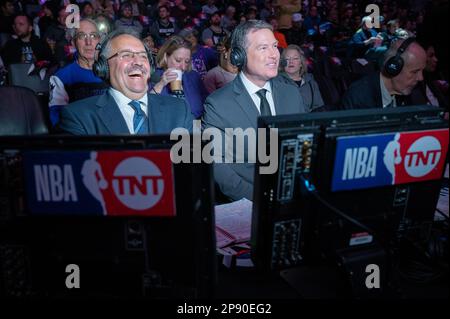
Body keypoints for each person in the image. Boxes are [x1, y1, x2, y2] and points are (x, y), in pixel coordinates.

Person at [202, 20, 307, 201]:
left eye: (274, 46)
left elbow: (305, 145)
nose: (274, 54)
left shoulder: (291, 93)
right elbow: (215, 165)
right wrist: (260, 199)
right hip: (247, 202)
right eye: (263, 48)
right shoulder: (218, 104)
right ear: (239, 56)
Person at [57, 30, 193, 135]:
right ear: (104, 66)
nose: (138, 62)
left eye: (143, 56)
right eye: (126, 55)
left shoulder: (180, 110)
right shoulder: (78, 116)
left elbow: (192, 167)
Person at [48, 18, 108, 126]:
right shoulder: (60, 78)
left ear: (99, 41)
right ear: (73, 43)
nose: (88, 42)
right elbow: (57, 120)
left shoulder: (113, 71)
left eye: (93, 36)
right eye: (82, 36)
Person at [342, 38, 427, 109]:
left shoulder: (413, 95)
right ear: (393, 67)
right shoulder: (359, 98)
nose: (421, 78)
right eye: (415, 71)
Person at [151, 35, 208, 119]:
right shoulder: (154, 78)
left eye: (187, 61)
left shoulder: (194, 76)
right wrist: (161, 84)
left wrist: (197, 130)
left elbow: (205, 107)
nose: (183, 67)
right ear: (166, 57)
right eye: (178, 60)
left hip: (195, 127)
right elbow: (146, 110)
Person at [280, 44, 324, 112]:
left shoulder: (311, 82)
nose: (291, 61)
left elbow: (319, 108)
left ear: (301, 63)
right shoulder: (276, 83)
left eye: (295, 58)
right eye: (287, 59)